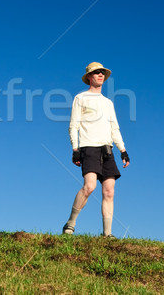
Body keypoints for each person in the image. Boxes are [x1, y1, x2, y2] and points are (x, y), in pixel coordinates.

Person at [62, 62, 130, 237]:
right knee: (89, 186)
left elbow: (115, 127)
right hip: (88, 147)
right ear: (89, 77)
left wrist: (123, 150)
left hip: (107, 149)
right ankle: (70, 223)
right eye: (96, 72)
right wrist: (75, 148)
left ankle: (107, 234)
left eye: (102, 73)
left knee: (109, 191)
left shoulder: (108, 103)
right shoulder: (81, 98)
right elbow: (73, 125)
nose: (100, 75)